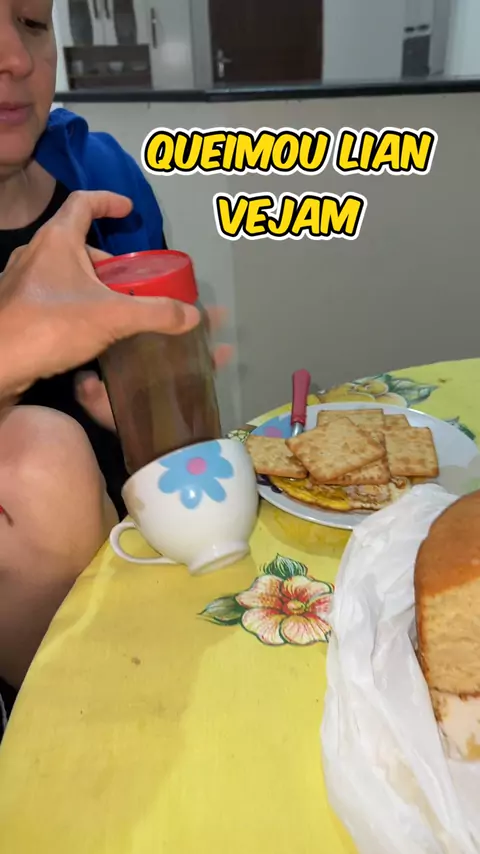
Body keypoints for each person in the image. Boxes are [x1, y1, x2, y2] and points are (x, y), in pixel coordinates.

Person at [0, 189, 207, 715]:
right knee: (44, 457)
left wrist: (143, 408)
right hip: (66, 675)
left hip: (135, 524)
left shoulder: (100, 181)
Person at [0, 0, 168, 517]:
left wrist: (159, 418)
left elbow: (169, 422)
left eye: (32, 21)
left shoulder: (106, 176)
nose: (16, 58)